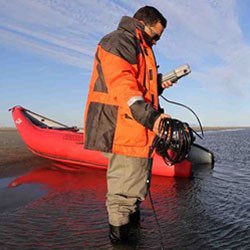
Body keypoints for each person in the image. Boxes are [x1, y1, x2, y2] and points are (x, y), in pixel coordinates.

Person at [84, 5, 175, 243]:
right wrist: (152, 117)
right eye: (155, 36)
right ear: (142, 23)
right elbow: (122, 85)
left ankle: (133, 235)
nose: (155, 42)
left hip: (135, 127)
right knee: (122, 196)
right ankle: (121, 242)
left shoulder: (140, 46)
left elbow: (136, 85)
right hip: (122, 129)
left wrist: (157, 85)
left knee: (133, 190)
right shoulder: (118, 41)